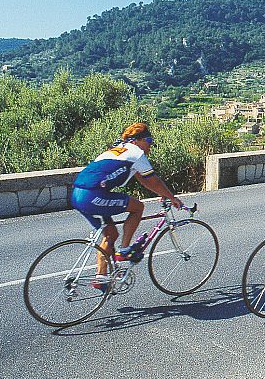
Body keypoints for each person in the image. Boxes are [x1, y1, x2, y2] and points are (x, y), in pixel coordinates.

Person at [71, 122, 182, 290]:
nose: (150, 146)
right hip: (93, 194)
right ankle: (124, 250)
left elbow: (145, 182)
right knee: (137, 207)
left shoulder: (118, 150)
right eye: (149, 141)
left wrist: (164, 195)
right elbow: (154, 180)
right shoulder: (136, 153)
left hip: (77, 194)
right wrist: (172, 198)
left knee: (110, 234)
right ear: (138, 140)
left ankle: (101, 277)